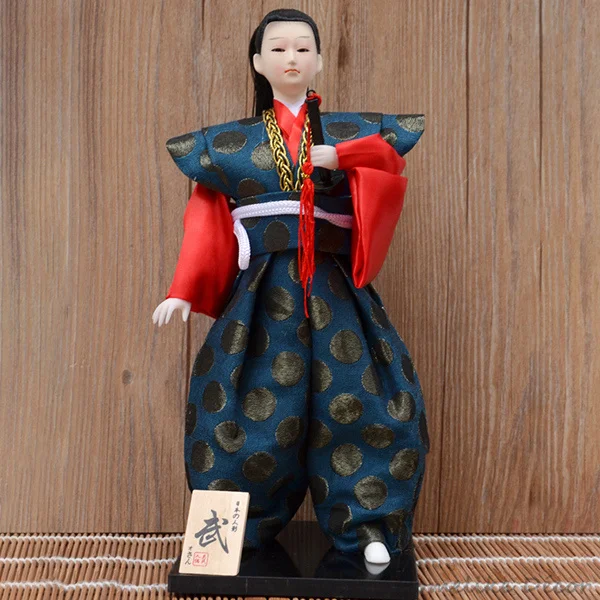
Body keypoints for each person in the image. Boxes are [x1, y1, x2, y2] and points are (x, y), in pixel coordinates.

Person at [153, 8, 428, 566]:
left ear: (320, 60)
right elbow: (206, 216)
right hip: (262, 292)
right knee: (243, 400)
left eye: (303, 48)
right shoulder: (229, 144)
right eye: (278, 49)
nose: (292, 58)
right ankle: (234, 527)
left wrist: (343, 157)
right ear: (258, 63)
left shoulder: (352, 131)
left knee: (361, 398)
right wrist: (183, 288)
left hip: (333, 288)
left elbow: (387, 165)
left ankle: (369, 523)